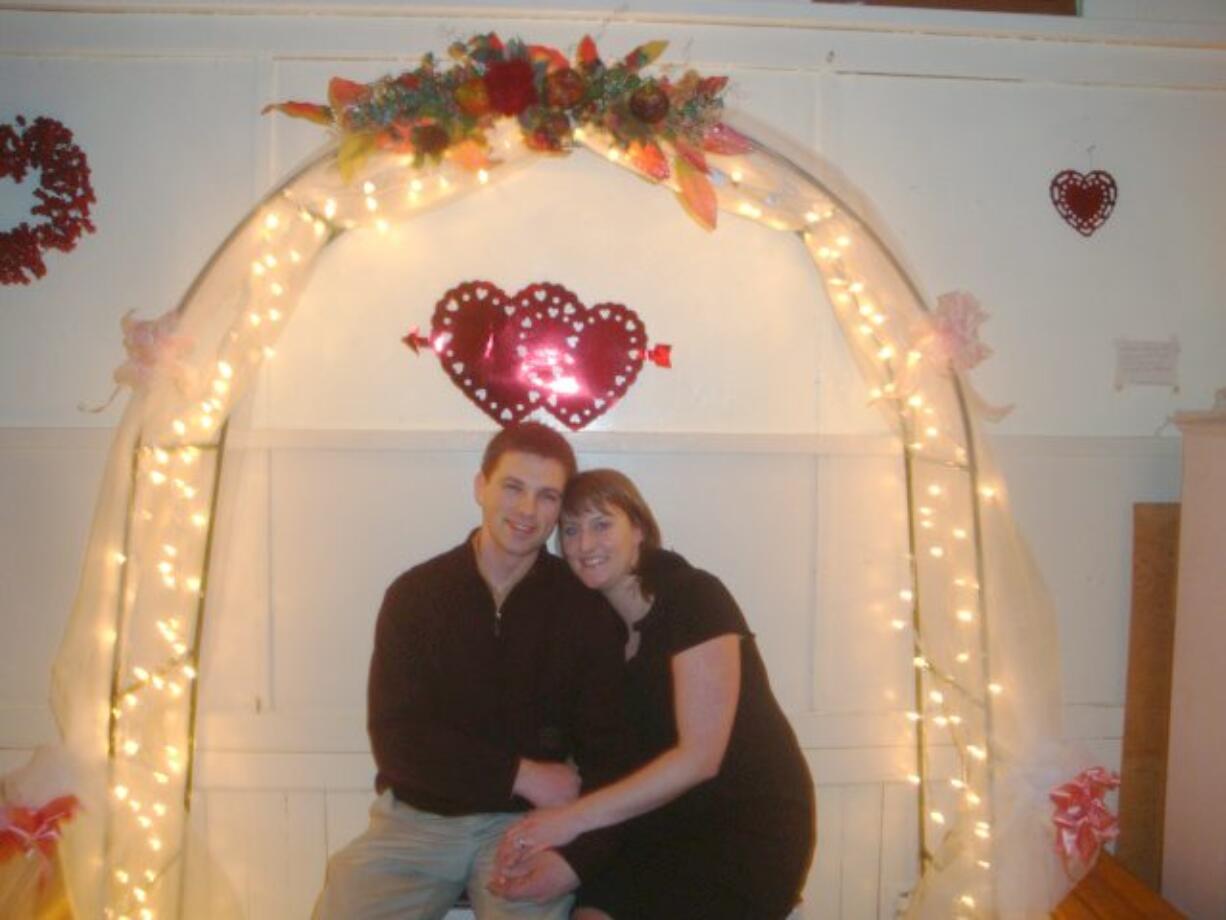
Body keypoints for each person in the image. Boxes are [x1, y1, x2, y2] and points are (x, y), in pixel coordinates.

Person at [313, 424, 627, 920]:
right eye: (512, 487)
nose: (527, 511)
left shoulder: (584, 610)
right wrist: (520, 773)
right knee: (347, 897)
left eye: (547, 497)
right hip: (416, 822)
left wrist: (573, 855)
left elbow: (608, 756)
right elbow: (397, 742)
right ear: (481, 486)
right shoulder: (415, 596)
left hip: (527, 828)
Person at [493, 468, 815, 920]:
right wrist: (562, 852)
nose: (584, 544)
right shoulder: (596, 631)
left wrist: (572, 819)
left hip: (744, 825)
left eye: (602, 524)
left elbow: (700, 758)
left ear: (639, 529)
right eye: (570, 530)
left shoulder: (694, 596)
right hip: (656, 825)